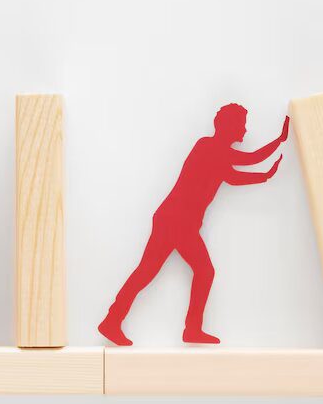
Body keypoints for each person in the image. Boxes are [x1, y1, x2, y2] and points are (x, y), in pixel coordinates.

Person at [98, 103, 289, 345]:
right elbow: (245, 164)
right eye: (241, 125)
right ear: (228, 126)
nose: (244, 130)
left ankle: (114, 321)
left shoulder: (215, 151)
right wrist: (271, 159)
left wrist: (275, 150)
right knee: (198, 271)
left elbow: (237, 170)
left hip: (174, 220)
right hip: (177, 222)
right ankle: (188, 329)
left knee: (149, 272)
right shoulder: (208, 147)